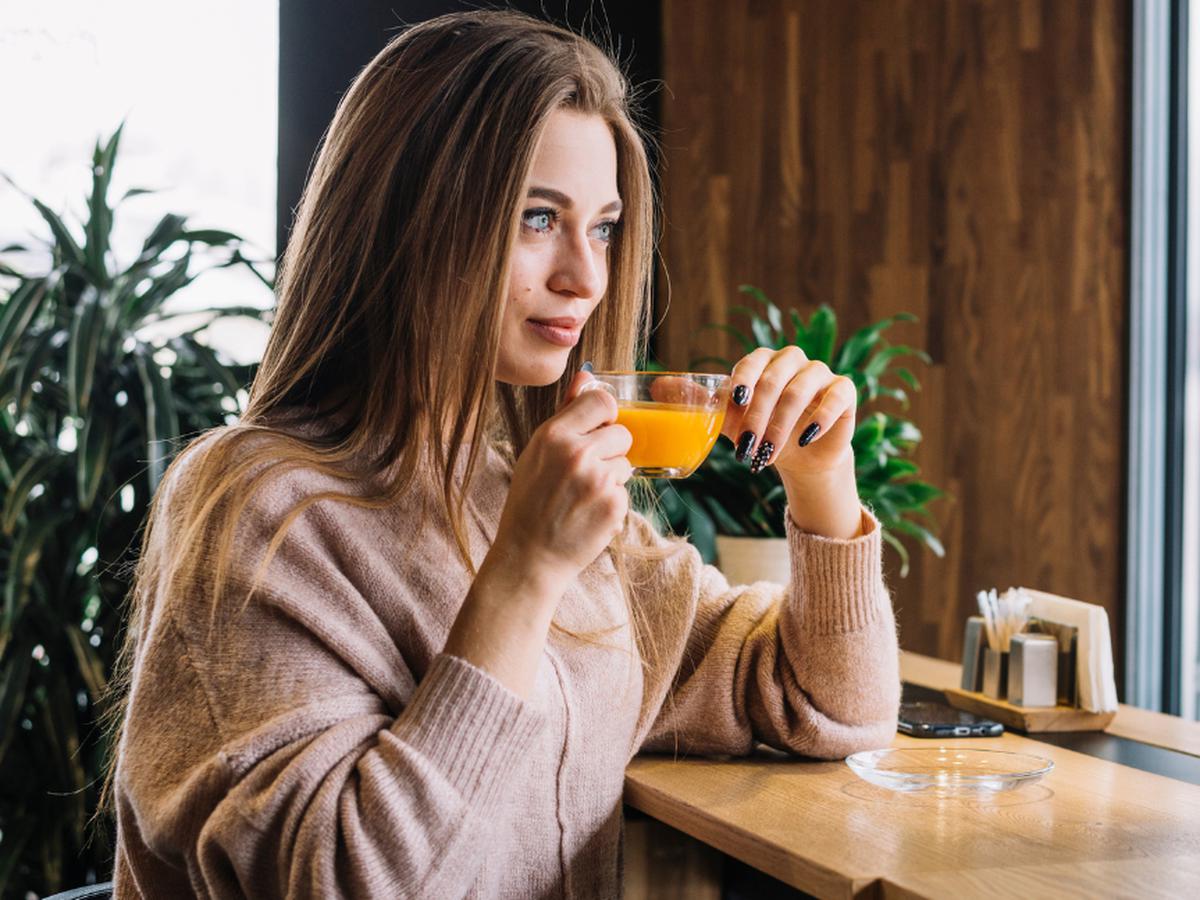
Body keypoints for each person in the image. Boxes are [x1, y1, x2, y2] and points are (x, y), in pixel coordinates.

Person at [108, 10, 900, 899]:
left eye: (601, 227)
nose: (586, 277)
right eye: (536, 218)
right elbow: (342, 880)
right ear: (412, 219)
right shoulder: (258, 509)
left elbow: (833, 707)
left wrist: (822, 485)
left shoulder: (517, 488)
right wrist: (524, 573)